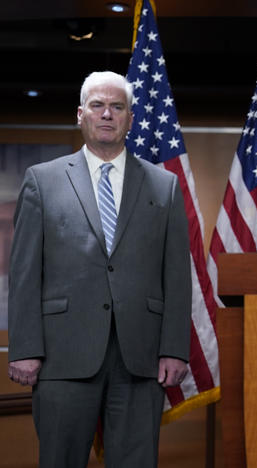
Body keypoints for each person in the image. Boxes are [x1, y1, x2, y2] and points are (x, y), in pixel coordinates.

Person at [7, 71, 191, 467]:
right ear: (81, 115)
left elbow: (176, 274)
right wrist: (25, 349)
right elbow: (24, 272)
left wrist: (175, 348)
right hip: (61, 354)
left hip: (140, 357)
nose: (107, 114)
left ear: (129, 118)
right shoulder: (42, 180)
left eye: (117, 107)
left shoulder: (165, 186)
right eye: (97, 105)